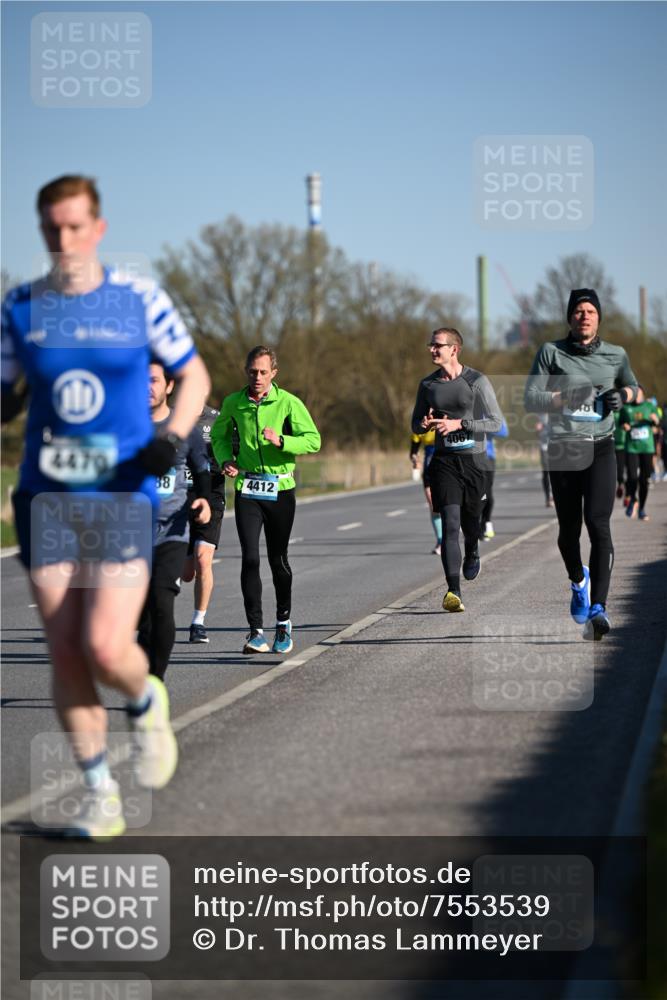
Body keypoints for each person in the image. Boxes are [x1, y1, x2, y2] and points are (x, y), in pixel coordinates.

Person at [0, 175, 210, 838]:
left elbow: (194, 375)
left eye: (75, 227)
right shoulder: (21, 307)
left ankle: (145, 698)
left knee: (103, 645)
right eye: (51, 228)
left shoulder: (138, 299)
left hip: (119, 494)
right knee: (66, 652)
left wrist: (171, 438)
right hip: (46, 499)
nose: (63, 239)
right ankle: (100, 794)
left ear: (98, 228)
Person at [524, 288, 639, 641]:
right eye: (578, 311)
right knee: (569, 530)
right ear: (570, 318)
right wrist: (565, 397)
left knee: (598, 523)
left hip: (602, 447)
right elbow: (531, 398)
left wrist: (623, 396)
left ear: (599, 317)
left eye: (590, 311)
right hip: (564, 449)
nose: (584, 316)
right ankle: (578, 581)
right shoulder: (551, 352)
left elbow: (635, 388)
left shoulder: (616, 354)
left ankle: (599, 608)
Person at [210, 346, 321, 654]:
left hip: (280, 489)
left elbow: (313, 440)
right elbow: (218, 436)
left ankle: (283, 624)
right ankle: (255, 632)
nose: (257, 377)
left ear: (274, 373)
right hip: (248, 489)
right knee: (249, 557)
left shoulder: (288, 402)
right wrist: (225, 459)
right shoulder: (233, 403)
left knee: (277, 559)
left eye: (262, 372)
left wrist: (282, 441)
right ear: (246, 372)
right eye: (252, 372)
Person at [411, 327, 504, 612]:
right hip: (444, 462)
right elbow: (415, 424)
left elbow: (496, 423)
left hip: (475, 462)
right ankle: (453, 591)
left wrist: (460, 424)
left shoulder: (476, 381)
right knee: (450, 524)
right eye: (431, 345)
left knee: (470, 523)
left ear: (454, 349)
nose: (432, 349)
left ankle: (472, 549)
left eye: (437, 345)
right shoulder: (428, 385)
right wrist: (423, 425)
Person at [137, 362, 211, 677]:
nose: (147, 386)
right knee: (141, 615)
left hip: (172, 530)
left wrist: (204, 499)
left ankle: (154, 681)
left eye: (154, 380)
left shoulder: (184, 428)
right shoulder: (125, 425)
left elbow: (202, 471)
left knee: (162, 601)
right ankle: (143, 668)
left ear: (169, 386)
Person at [181, 403, 226, 643]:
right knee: (187, 573)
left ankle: (198, 622)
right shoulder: (171, 417)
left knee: (202, 558)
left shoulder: (219, 419)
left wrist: (229, 463)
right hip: (179, 497)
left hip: (211, 495)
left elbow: (234, 450)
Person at [620, 385, 660, 522]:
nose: (637, 396)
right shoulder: (626, 408)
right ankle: (633, 499)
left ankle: (642, 508)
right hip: (632, 448)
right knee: (632, 477)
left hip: (647, 448)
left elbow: (657, 422)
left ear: (643, 394)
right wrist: (624, 425)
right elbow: (621, 422)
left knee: (644, 480)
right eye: (635, 393)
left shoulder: (649, 406)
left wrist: (655, 419)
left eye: (639, 393)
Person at [410, 428, 441, 554]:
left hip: (447, 461)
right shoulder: (421, 423)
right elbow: (414, 449)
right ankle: (441, 541)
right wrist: (415, 459)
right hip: (429, 464)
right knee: (433, 505)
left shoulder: (447, 418)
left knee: (450, 503)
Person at [478, 417, 508, 541]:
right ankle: (474, 524)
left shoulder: (492, 412)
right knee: (473, 493)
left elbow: (504, 432)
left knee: (486, 493)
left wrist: (485, 426)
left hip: (488, 457)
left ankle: (486, 522)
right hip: (469, 456)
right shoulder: (467, 409)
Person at [535, 414, 554, 506]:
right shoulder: (541, 414)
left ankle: (555, 495)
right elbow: (538, 432)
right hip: (544, 447)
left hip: (558, 446)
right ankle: (548, 497)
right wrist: (538, 429)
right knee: (546, 472)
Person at [613, 410, 628, 503]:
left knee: (630, 472)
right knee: (620, 469)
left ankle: (628, 495)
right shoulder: (611, 413)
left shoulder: (625, 411)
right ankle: (621, 485)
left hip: (628, 445)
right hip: (616, 446)